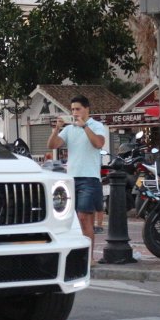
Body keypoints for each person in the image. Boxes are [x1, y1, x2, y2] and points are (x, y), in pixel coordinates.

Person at [47, 95, 106, 264]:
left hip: (89, 178)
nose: (74, 112)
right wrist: (56, 129)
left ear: (87, 109)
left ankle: (89, 258)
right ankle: (79, 256)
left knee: (84, 217)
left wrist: (85, 126)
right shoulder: (70, 128)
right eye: (72, 109)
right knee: (72, 220)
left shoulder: (96, 125)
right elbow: (52, 145)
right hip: (71, 179)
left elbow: (99, 144)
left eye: (78, 109)